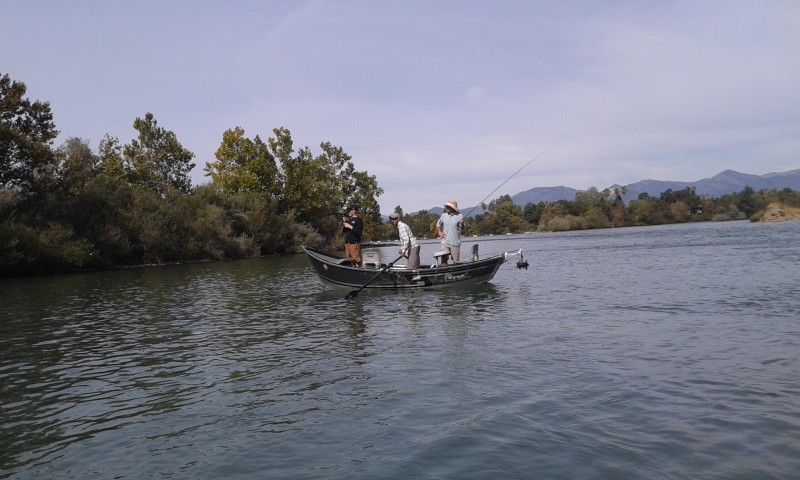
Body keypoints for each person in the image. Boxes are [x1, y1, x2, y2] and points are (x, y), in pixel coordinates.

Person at [436, 199, 466, 265]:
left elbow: (463, 229)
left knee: (456, 262)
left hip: (455, 242)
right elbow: (438, 224)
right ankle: (444, 273)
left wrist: (462, 224)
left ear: (453, 208)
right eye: (447, 206)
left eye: (448, 207)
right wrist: (439, 232)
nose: (447, 208)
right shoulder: (443, 215)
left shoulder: (459, 216)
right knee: (443, 260)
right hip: (445, 242)